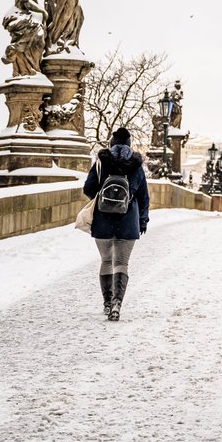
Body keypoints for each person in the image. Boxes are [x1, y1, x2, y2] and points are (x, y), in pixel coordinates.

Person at [83, 127, 149, 321]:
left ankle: (106, 302)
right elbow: (144, 198)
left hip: (102, 220)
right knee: (121, 262)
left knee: (106, 261)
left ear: (111, 143)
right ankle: (117, 303)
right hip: (128, 222)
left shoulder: (101, 162)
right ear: (129, 145)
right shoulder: (136, 166)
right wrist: (142, 221)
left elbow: (88, 188)